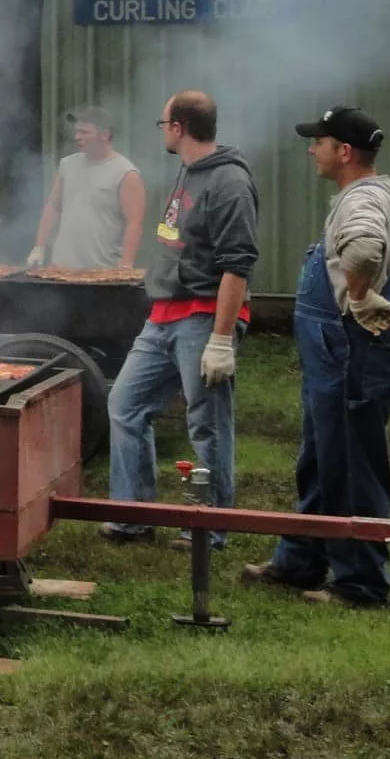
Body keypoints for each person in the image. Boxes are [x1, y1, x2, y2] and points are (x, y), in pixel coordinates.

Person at [242, 107, 390, 606]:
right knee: (319, 459)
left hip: (352, 353)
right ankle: (301, 561)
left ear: (345, 152)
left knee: (353, 467)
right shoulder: (362, 196)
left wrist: (358, 298)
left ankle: (361, 585)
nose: (311, 149)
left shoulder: (363, 200)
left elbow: (362, 253)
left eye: (318, 141)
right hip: (335, 355)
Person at [102, 91, 258, 543]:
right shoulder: (188, 172)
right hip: (164, 315)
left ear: (178, 128)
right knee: (125, 404)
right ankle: (133, 515)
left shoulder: (228, 182)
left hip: (204, 317)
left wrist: (221, 340)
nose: (162, 131)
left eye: (163, 123)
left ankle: (210, 528)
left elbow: (238, 265)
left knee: (206, 424)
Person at [28, 106, 145, 270]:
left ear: (105, 135)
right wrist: (39, 247)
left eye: (84, 132)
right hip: (61, 267)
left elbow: (134, 224)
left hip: (103, 270)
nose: (77, 137)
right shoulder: (67, 165)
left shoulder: (126, 173)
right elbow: (53, 207)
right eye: (76, 132)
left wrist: (126, 265)